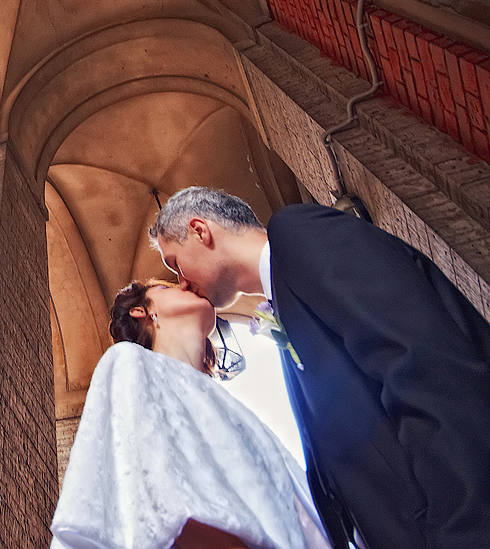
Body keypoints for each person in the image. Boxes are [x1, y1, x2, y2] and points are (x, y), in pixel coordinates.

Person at [149, 187, 490, 549]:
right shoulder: (285, 300)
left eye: (175, 264)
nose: (181, 281)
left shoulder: (297, 236)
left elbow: (425, 369)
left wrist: (466, 528)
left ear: (200, 230)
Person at [50, 279, 330, 549]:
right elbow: (158, 495)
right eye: (165, 287)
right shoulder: (130, 361)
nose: (184, 284)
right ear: (141, 311)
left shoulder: (226, 404)